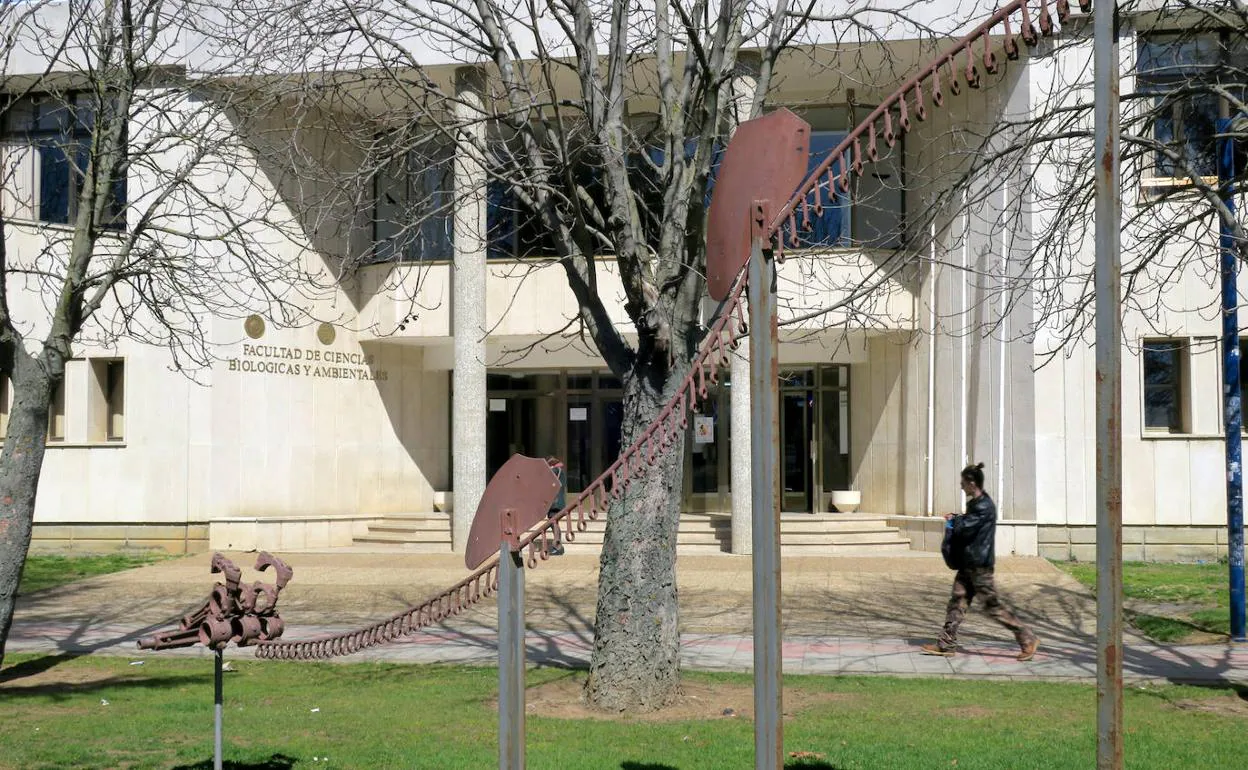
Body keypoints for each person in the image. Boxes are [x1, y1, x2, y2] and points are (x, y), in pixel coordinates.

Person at [920, 462, 1039, 661]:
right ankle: (946, 644)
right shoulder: (977, 505)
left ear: (972, 483)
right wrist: (958, 518)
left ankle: (1027, 638)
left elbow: (965, 528)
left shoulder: (984, 506)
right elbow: (967, 523)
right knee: (957, 601)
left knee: (992, 606)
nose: (961, 486)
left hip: (979, 567)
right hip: (969, 564)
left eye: (963, 482)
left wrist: (954, 521)